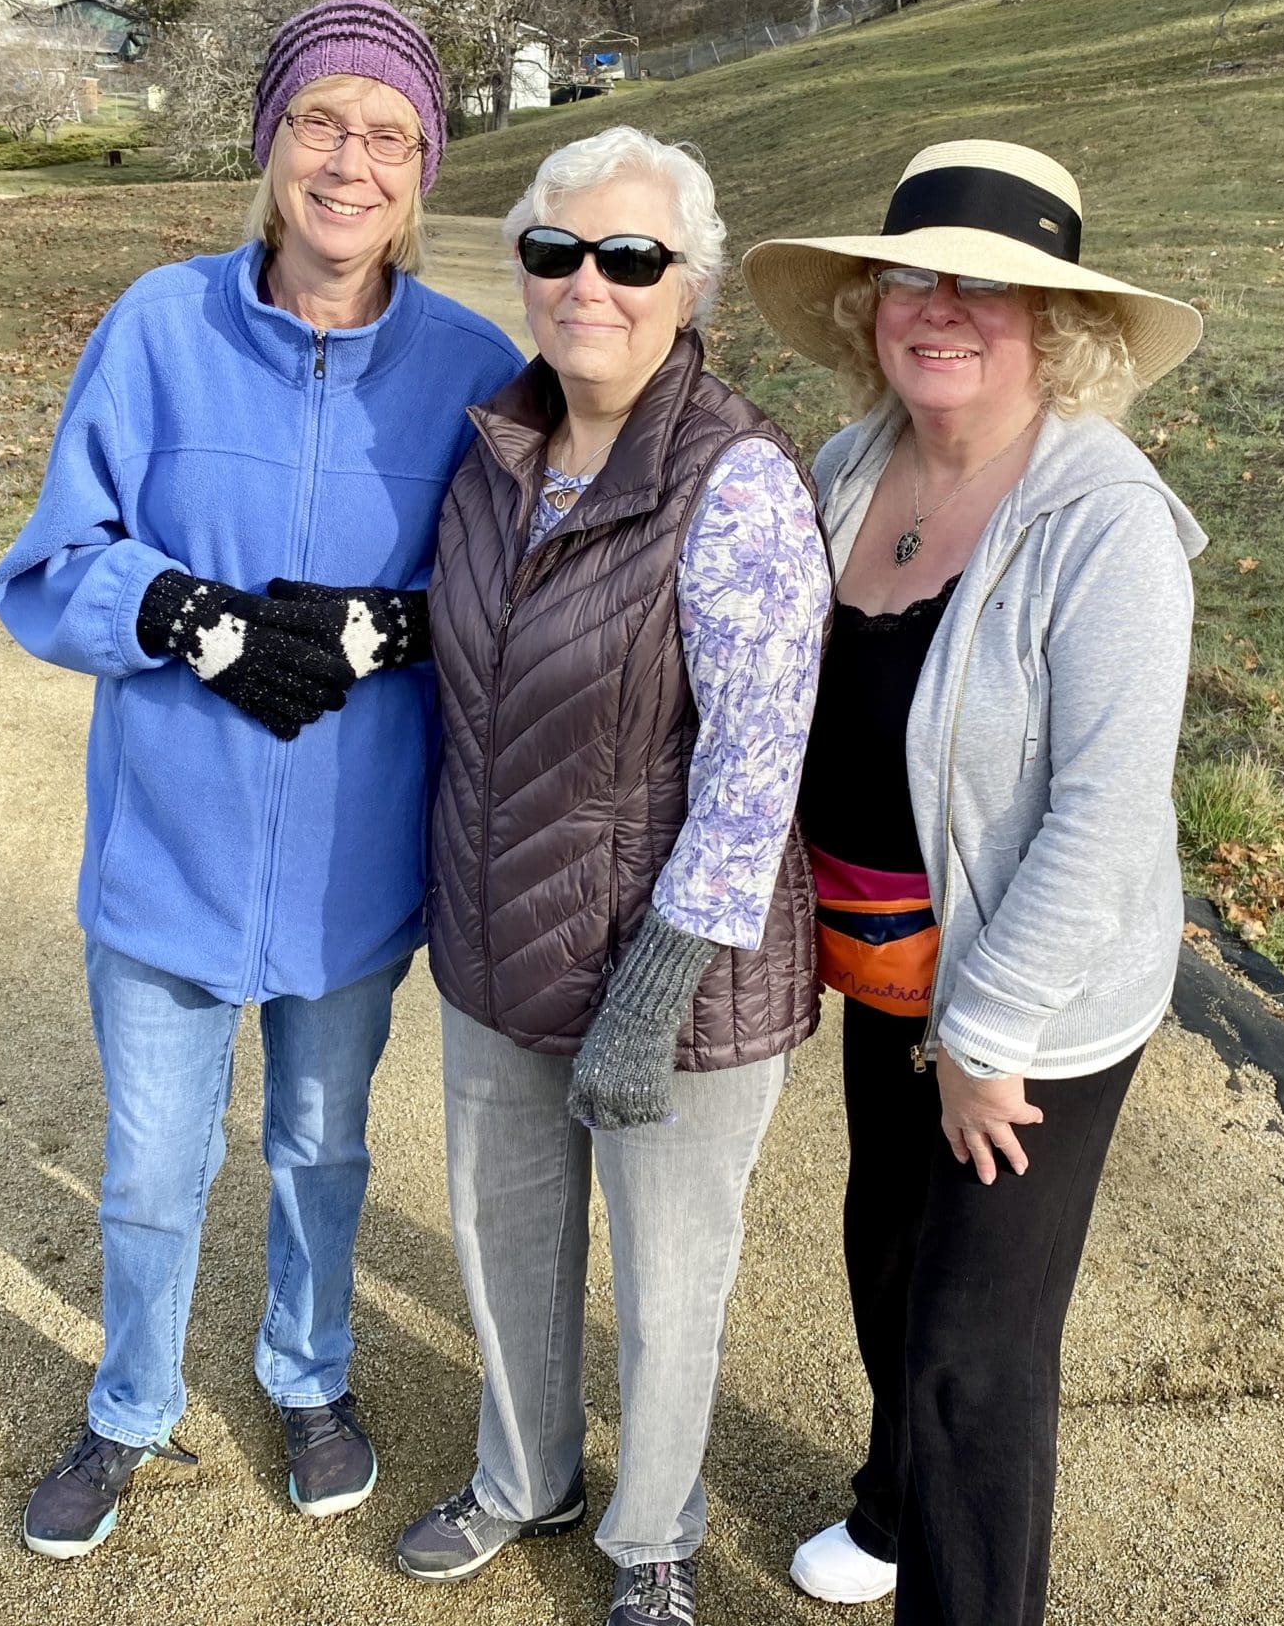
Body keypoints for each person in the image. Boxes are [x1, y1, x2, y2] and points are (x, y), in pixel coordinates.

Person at [0, 0, 524, 1560]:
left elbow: (518, 595)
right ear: (271, 142)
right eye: (321, 123)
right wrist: (183, 613)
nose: (349, 163)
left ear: (422, 170)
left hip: (356, 865)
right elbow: (51, 564)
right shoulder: (158, 328)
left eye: (388, 135)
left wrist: (392, 624)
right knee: (155, 1164)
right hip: (168, 852)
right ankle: (129, 1402)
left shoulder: (474, 369)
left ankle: (310, 1376)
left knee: (321, 1148)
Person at [741, 139, 1207, 1625]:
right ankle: (891, 1509)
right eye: (912, 281)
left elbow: (1108, 811)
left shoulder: (1105, 523)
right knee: (886, 1258)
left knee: (973, 1353)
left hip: (1029, 1004)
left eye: (984, 288)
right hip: (883, 966)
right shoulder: (845, 471)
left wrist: (988, 1036)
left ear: (1054, 326)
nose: (939, 309)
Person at [393, 126, 832, 1626]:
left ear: (687, 283)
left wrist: (658, 982)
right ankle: (525, 1478)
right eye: (557, 251)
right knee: (505, 1238)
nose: (591, 283)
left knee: (668, 1275)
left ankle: (653, 1537)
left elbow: (759, 764)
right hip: (501, 942)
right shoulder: (494, 454)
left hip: (674, 976)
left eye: (632, 257)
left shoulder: (738, 481)